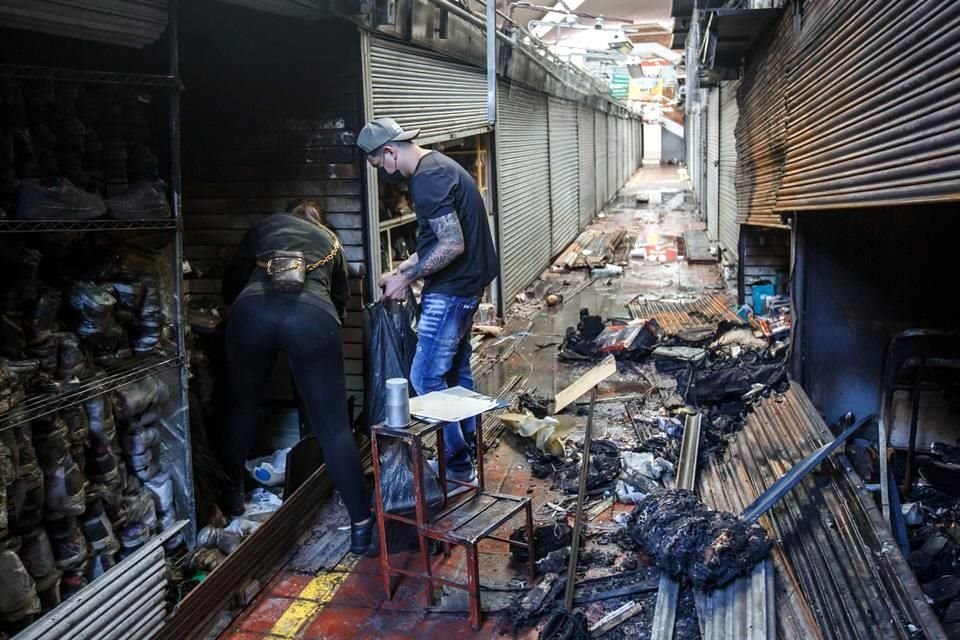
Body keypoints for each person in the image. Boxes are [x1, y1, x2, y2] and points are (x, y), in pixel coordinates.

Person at [220, 200, 376, 555]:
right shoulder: (331, 242)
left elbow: (230, 286)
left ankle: (232, 501)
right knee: (333, 427)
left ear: (289, 214)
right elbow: (340, 304)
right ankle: (361, 527)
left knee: (241, 408)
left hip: (252, 313)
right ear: (321, 220)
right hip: (311, 318)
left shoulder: (266, 225)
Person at [358, 118, 499, 490]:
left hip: (452, 291)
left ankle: (456, 464)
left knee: (424, 376)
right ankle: (467, 447)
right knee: (454, 372)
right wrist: (401, 268)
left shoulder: (427, 179)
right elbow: (435, 241)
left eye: (378, 166)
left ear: (389, 153)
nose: (382, 174)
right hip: (465, 286)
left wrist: (407, 279)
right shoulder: (439, 166)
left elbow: (452, 245)